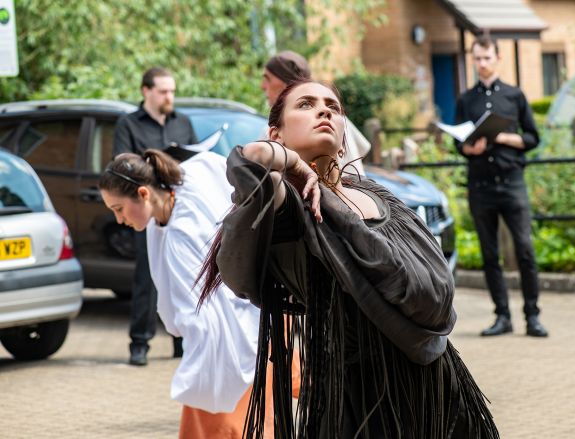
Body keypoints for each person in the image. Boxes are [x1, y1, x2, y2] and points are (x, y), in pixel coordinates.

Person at [199, 79, 499, 438]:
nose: (324, 110)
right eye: (306, 105)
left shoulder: (377, 194)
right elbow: (251, 162)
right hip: (358, 400)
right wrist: (292, 163)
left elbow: (436, 293)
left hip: (438, 384)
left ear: (344, 135)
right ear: (275, 134)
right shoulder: (285, 204)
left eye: (333, 107)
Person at [98, 149, 273, 437]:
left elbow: (202, 317)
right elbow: (212, 164)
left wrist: (195, 375)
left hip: (224, 353)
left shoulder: (181, 237)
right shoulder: (185, 182)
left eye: (118, 209)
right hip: (251, 334)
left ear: (143, 193)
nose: (119, 220)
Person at [454, 36, 548, 338]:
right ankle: (502, 316)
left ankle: (532, 316)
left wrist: (503, 137)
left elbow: (532, 138)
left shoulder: (515, 95)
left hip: (512, 183)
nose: (482, 63)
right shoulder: (465, 99)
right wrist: (470, 148)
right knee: (489, 254)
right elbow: (459, 142)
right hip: (480, 185)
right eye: (477, 58)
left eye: (487, 58)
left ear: (498, 58)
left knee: (525, 249)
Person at [113, 67, 198, 365]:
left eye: (172, 91)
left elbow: (195, 160)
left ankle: (181, 341)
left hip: (179, 208)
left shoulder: (183, 122)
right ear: (146, 91)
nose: (169, 96)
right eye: (163, 91)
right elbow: (122, 167)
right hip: (146, 210)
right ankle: (139, 344)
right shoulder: (128, 124)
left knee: (183, 274)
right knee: (148, 277)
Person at [261, 50, 371, 175]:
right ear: (276, 136)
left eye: (267, 79)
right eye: (306, 105)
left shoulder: (335, 121)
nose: (262, 86)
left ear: (285, 81)